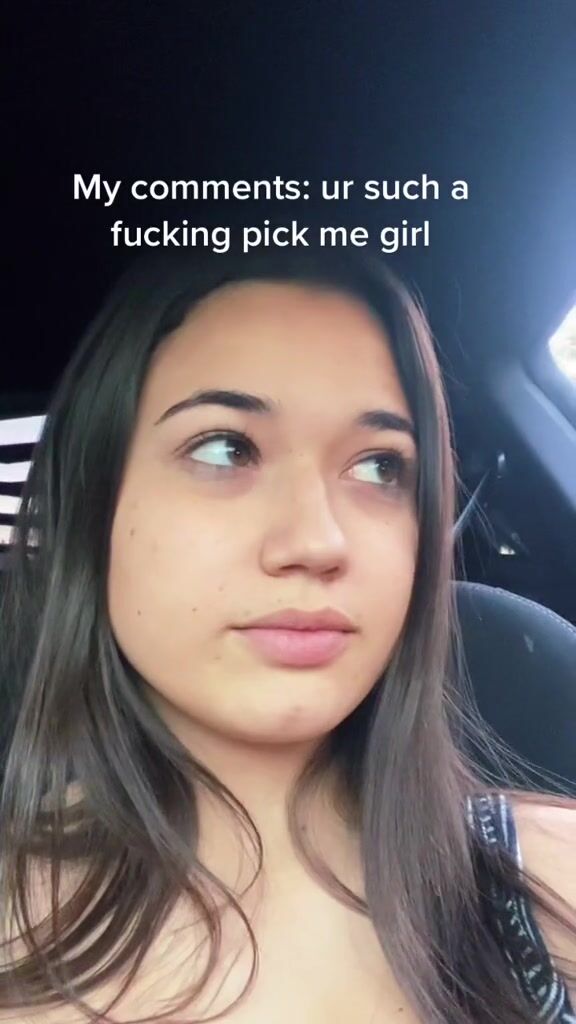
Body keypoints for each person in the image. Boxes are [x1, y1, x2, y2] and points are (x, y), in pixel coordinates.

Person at [0, 249, 574, 1024]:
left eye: (380, 467)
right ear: (94, 510)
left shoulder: (554, 882)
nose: (317, 540)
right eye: (225, 448)